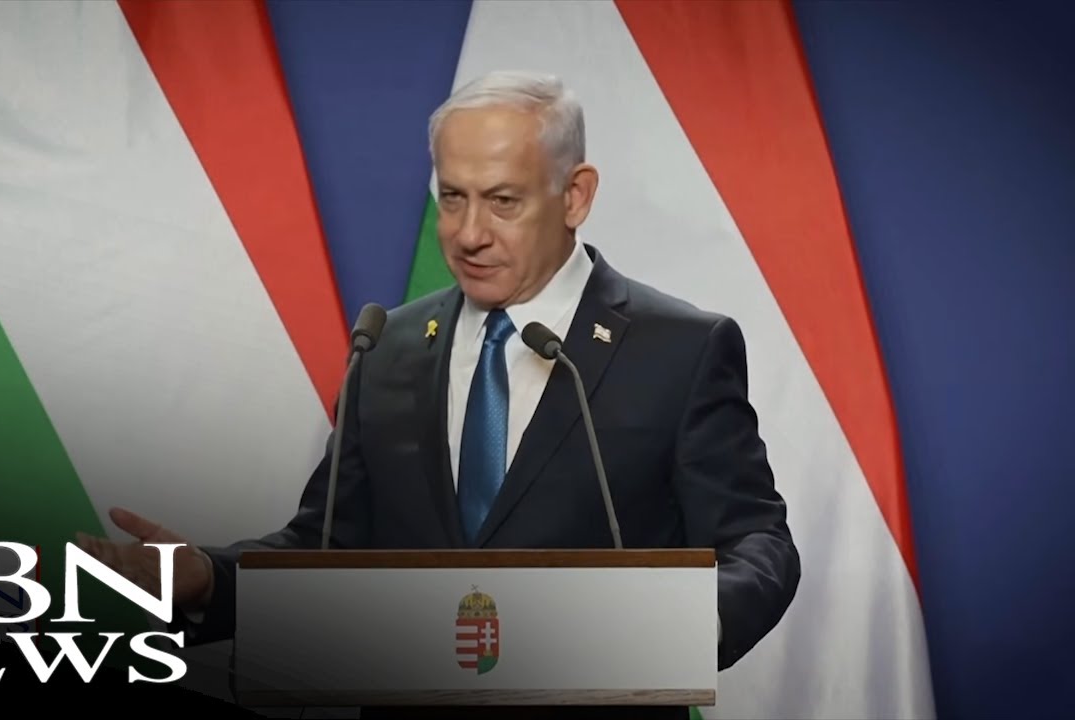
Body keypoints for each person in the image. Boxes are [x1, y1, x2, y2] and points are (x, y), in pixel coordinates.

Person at [78, 70, 800, 719]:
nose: (468, 234)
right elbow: (328, 544)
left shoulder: (679, 347)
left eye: (502, 201)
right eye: (452, 198)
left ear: (575, 195)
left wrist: (688, 623)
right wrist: (208, 579)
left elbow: (757, 541)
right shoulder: (387, 345)